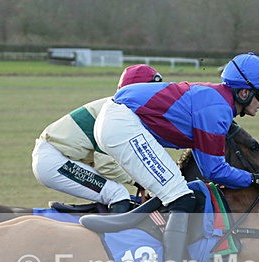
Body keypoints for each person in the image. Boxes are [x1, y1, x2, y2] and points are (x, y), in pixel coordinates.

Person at [93, 52, 259, 262]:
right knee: (181, 196)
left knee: (180, 190)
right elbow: (214, 169)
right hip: (120, 123)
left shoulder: (217, 102)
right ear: (243, 93)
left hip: (117, 121)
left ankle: (125, 220)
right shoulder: (216, 109)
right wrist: (256, 180)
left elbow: (205, 163)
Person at [32, 64, 164, 213]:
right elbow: (105, 164)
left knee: (114, 190)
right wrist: (138, 180)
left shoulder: (117, 107)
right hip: (55, 161)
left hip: (58, 156)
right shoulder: (118, 114)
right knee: (117, 194)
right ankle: (113, 236)